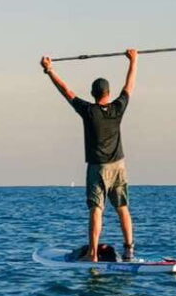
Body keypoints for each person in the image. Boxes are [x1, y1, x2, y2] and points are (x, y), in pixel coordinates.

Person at [40, 49, 138, 262]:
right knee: (122, 208)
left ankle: (92, 255)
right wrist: (133, 60)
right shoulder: (117, 108)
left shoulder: (88, 111)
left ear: (93, 94)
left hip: (98, 168)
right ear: (108, 93)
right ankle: (129, 251)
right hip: (119, 166)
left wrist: (50, 71)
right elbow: (129, 86)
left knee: (96, 209)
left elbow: (66, 91)